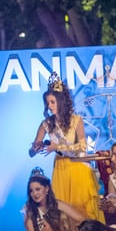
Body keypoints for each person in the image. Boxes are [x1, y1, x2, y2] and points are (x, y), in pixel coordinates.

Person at [28, 76, 103, 222]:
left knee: (84, 212)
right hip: (61, 170)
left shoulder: (76, 120)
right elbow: (32, 152)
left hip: (78, 168)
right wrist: (35, 147)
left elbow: (82, 147)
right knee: (64, 213)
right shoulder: (46, 124)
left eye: (52, 102)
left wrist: (58, 147)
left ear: (61, 101)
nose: (49, 105)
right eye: (47, 103)